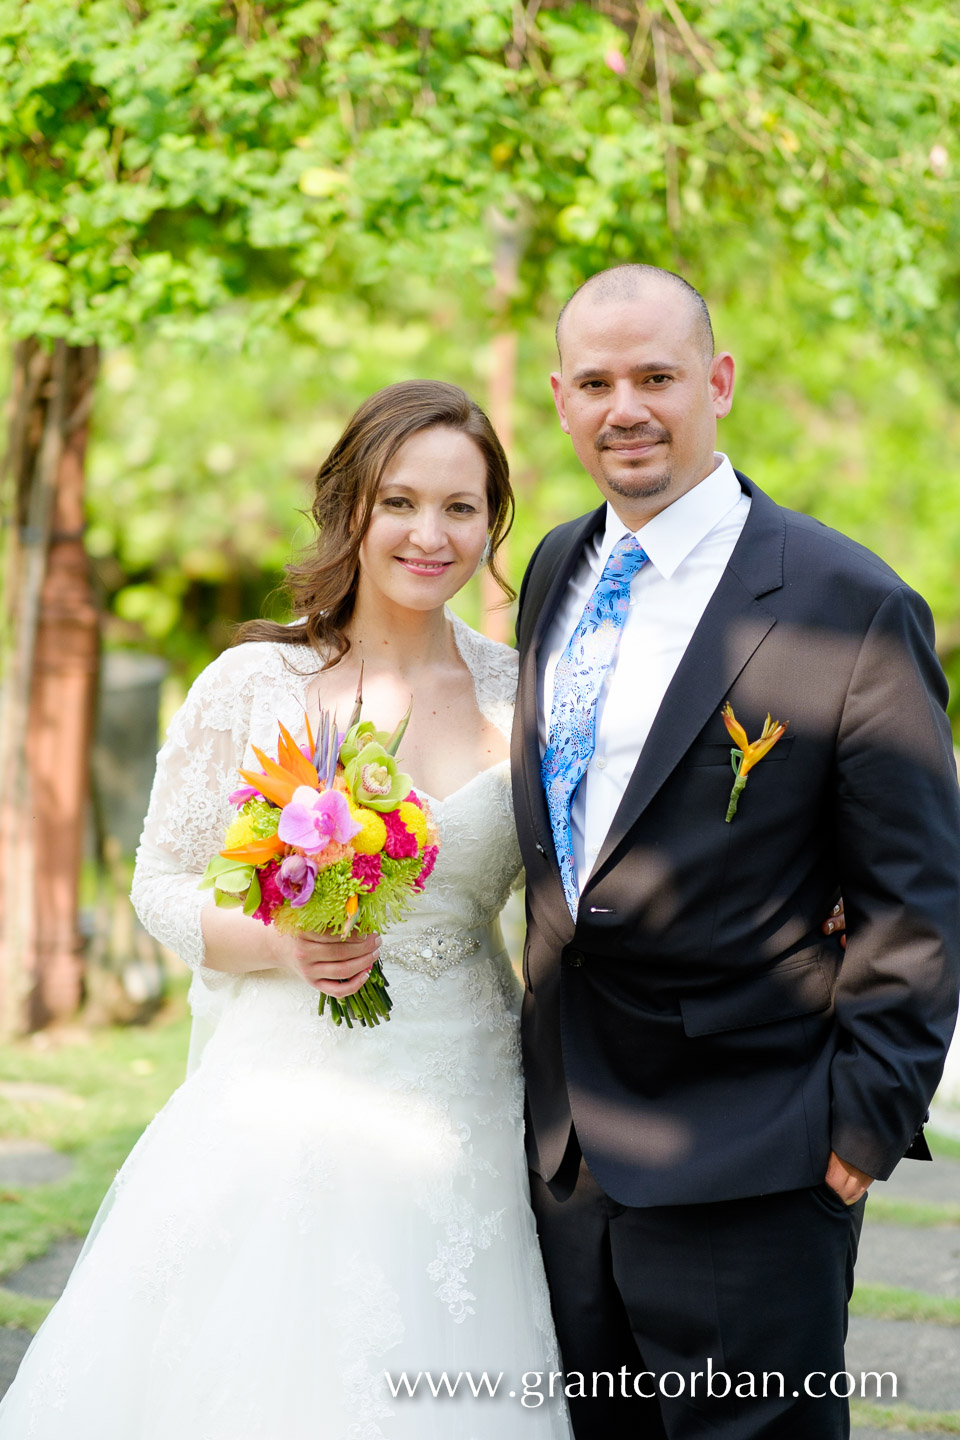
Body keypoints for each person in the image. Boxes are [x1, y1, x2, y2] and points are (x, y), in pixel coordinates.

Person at [0, 381, 570, 1440]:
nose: (428, 533)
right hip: (282, 1097)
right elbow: (160, 882)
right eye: (399, 501)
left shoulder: (521, 695)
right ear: (349, 507)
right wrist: (281, 944)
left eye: (460, 507)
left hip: (466, 1103)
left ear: (493, 522)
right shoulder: (255, 681)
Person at [512, 264, 960, 1439]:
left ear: (717, 383)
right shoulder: (556, 569)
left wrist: (861, 1129)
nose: (628, 408)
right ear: (560, 399)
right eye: (598, 382)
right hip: (566, 1156)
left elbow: (916, 896)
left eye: (657, 377)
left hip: (756, 1155)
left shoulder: (847, 604)